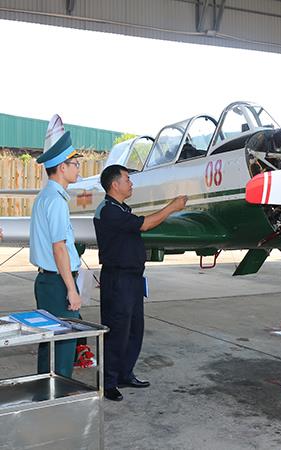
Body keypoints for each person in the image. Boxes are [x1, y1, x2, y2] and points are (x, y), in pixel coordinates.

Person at [94, 164, 187, 401]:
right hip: (118, 279)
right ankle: (109, 382)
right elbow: (144, 224)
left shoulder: (122, 208)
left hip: (133, 279)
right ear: (115, 184)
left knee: (135, 329)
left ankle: (125, 373)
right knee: (117, 331)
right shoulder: (108, 210)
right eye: (127, 179)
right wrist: (172, 208)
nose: (131, 183)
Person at [30, 120, 83, 378]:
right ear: (62, 167)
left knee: (50, 341)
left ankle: (47, 393)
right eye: (75, 164)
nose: (78, 169)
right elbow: (59, 248)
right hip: (57, 282)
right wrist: (72, 289)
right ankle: (57, 398)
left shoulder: (47, 197)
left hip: (49, 280)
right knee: (63, 345)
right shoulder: (56, 201)